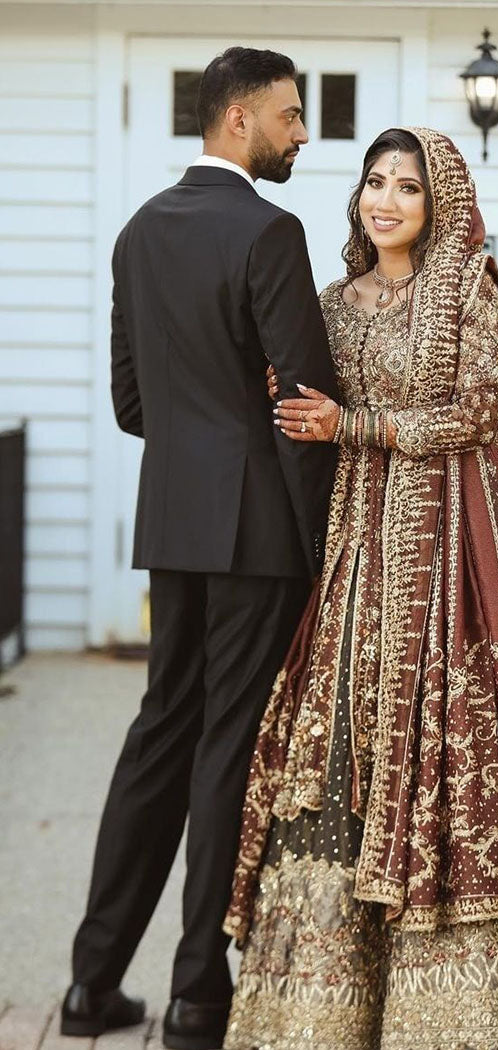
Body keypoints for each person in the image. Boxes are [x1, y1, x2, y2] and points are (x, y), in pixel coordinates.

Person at [222, 127, 498, 1050]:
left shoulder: (468, 288)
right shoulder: (331, 303)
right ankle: (325, 1006)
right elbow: (301, 398)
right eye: (374, 183)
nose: (385, 201)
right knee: (349, 729)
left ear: (439, 203)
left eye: (407, 188)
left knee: (459, 724)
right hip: (359, 545)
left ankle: (480, 999)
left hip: (459, 542)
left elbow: (477, 413)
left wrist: (355, 425)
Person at [61, 47, 338, 1050]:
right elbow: (306, 411)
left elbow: (132, 404)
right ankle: (196, 997)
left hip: (172, 525)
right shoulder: (270, 231)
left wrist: (206, 427)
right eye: (290, 116)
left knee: (160, 734)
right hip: (260, 534)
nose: (302, 134)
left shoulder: (138, 232)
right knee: (227, 744)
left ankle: (90, 989)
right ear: (238, 121)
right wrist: (323, 543)